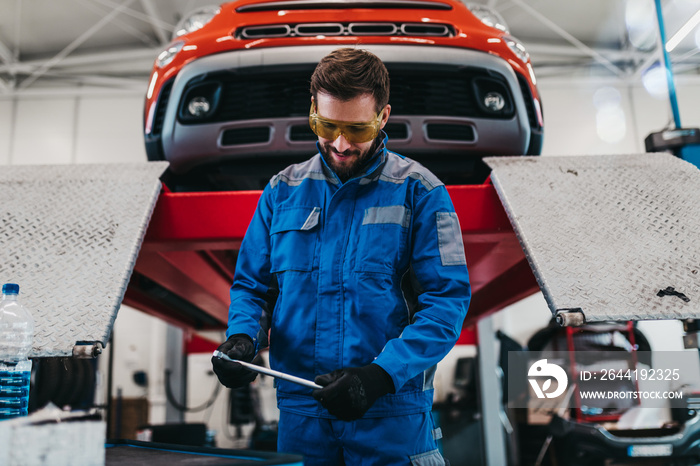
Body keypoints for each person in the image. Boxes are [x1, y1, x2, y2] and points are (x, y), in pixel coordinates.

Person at [212, 47, 471, 465]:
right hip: (301, 419)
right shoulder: (282, 193)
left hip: (391, 417)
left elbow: (446, 303)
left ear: (383, 117)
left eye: (357, 129)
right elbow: (252, 287)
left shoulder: (420, 192)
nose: (341, 143)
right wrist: (243, 339)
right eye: (327, 125)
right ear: (312, 110)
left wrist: (380, 376)